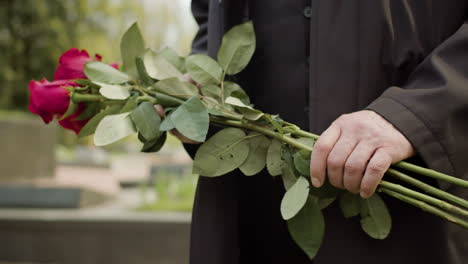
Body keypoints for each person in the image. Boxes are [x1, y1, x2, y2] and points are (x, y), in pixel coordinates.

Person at [179, 1, 468, 263]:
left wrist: (418, 111)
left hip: (400, 198)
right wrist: (201, 97)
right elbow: (209, 15)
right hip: (247, 207)